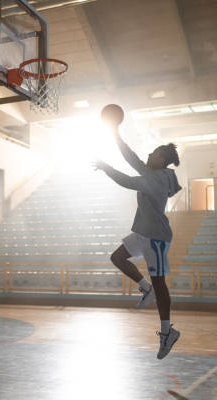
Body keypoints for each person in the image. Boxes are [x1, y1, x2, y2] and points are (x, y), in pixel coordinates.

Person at [93, 129, 182, 359]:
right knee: (117, 258)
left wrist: (106, 168)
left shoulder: (158, 179)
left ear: (161, 160)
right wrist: (114, 133)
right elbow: (131, 158)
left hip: (156, 237)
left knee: (160, 282)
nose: (148, 155)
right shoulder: (153, 172)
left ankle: (167, 332)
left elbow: (127, 181)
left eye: (153, 153)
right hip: (142, 232)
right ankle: (145, 288)